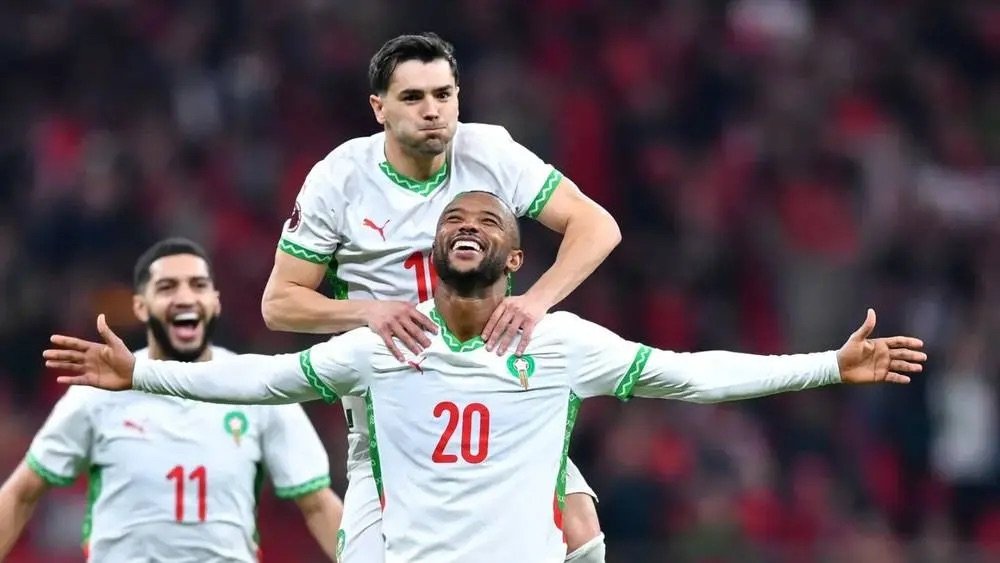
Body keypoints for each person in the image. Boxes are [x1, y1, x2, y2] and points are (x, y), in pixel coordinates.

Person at [45, 193, 927, 563]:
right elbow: (265, 380)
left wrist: (829, 365)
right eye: (453, 219)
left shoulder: (563, 342)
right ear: (433, 254)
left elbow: (693, 376)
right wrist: (140, 376)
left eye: (487, 219)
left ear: (512, 255)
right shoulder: (382, 342)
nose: (467, 222)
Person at [260, 32, 620, 562]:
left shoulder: (489, 152)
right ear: (378, 108)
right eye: (413, 98)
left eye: (443, 94)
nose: (433, 111)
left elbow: (597, 226)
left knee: (580, 527)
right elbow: (279, 303)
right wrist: (368, 311)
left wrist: (536, 301)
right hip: (393, 403)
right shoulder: (339, 179)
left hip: (493, 383)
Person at [4, 238, 343, 562]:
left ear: (215, 301)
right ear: (140, 305)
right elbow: (22, 492)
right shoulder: (96, 394)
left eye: (198, 285)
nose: (185, 297)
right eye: (167, 287)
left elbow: (318, 504)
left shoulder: (258, 388)